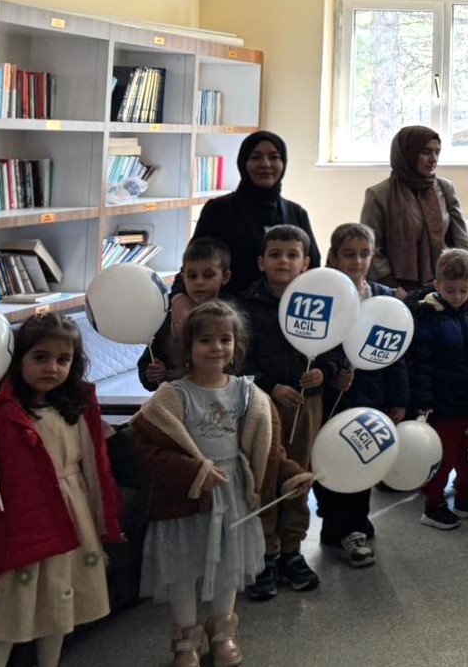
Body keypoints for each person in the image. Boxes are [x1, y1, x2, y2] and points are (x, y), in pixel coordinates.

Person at [134, 302, 311, 667]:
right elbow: (148, 449)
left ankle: (222, 631)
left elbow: (267, 449)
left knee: (229, 563)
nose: (216, 348)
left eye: (225, 339)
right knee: (183, 567)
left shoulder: (248, 395)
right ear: (188, 348)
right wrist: (192, 472)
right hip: (186, 497)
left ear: (237, 345)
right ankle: (186, 639)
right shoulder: (173, 395)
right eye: (205, 340)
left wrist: (290, 473)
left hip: (233, 491)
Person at [0, 315, 123, 667]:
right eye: (40, 357)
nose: (52, 368)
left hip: (73, 522)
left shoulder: (75, 409)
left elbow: (93, 466)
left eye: (63, 360)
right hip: (22, 527)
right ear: (19, 360)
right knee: (7, 620)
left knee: (61, 608)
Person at [240, 224, 334, 599]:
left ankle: (292, 551)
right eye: (275, 254)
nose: (283, 261)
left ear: (306, 262)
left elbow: (335, 349)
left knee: (300, 476)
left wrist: (323, 373)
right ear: (261, 261)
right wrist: (268, 385)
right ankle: (265, 554)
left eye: (292, 254)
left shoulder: (321, 300)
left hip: (306, 405)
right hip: (262, 404)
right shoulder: (247, 306)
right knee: (264, 478)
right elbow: (237, 360)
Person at [316, 223, 408, 567]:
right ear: (334, 256)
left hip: (372, 394)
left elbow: (396, 351)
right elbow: (315, 346)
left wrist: (398, 398)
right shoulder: (326, 295)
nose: (357, 261)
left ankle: (354, 525)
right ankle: (332, 520)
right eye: (349, 254)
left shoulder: (383, 298)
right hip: (331, 395)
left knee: (361, 456)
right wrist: (332, 375)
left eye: (364, 254)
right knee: (329, 456)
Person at [412, 249, 468, 531]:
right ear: (437, 285)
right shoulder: (426, 315)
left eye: (464, 289)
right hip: (441, 405)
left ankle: (464, 496)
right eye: (450, 290)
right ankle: (433, 504)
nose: (457, 296)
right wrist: (423, 400)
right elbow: (420, 363)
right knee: (442, 458)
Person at [192, 131, 317, 295]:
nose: (265, 164)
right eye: (256, 157)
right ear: (243, 163)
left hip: (285, 312)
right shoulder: (218, 210)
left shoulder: (297, 213)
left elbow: (312, 268)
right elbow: (194, 260)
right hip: (230, 313)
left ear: (283, 163)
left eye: (274, 157)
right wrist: (179, 297)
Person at [359, 124, 468, 298]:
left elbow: (460, 239)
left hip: (444, 286)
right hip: (397, 288)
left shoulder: (444, 188)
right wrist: (393, 287)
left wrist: (465, 276)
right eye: (426, 152)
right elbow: (372, 249)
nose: (433, 158)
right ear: (407, 154)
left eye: (437, 152)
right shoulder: (379, 194)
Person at [139, 236, 233, 390]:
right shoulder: (169, 316)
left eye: (208, 275)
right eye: (192, 276)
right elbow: (149, 361)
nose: (199, 282)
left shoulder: (232, 317)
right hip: (177, 400)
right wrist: (153, 372)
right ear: (183, 277)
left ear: (225, 277)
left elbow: (242, 365)